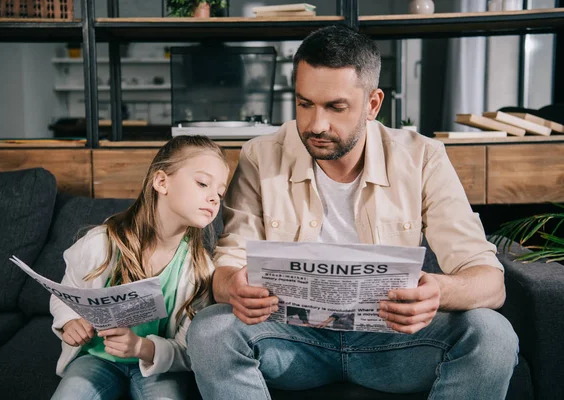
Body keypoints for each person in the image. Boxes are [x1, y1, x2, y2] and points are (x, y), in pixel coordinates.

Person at [187, 25, 518, 399]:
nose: (316, 125)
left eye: (336, 107)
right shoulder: (261, 156)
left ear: (373, 104)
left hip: (394, 344)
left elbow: (491, 283)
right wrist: (235, 286)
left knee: (492, 334)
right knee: (211, 330)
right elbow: (226, 267)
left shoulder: (422, 157)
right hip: (292, 343)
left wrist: (437, 291)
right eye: (304, 104)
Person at [50, 135, 229, 400]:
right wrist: (68, 322)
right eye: (203, 183)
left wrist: (141, 347)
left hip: (155, 367)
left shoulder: (200, 269)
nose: (214, 198)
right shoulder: (102, 242)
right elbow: (63, 294)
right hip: (96, 359)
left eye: (220, 192)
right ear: (161, 181)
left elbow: (188, 350)